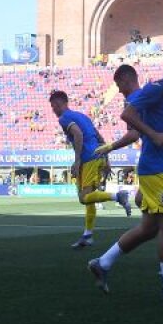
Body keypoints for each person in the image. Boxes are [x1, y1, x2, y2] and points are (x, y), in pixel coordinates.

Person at [88, 45, 163, 303]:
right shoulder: (157, 88)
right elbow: (127, 113)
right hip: (154, 168)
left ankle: (103, 263)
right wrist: (152, 134)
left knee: (148, 228)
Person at [49, 90, 132, 249]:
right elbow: (100, 138)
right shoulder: (83, 116)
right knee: (90, 198)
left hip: (88, 159)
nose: (53, 110)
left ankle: (118, 196)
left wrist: (78, 160)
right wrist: (106, 159)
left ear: (59, 104)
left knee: (84, 197)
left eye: (53, 106)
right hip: (98, 156)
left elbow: (78, 135)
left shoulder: (64, 118)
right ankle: (87, 235)